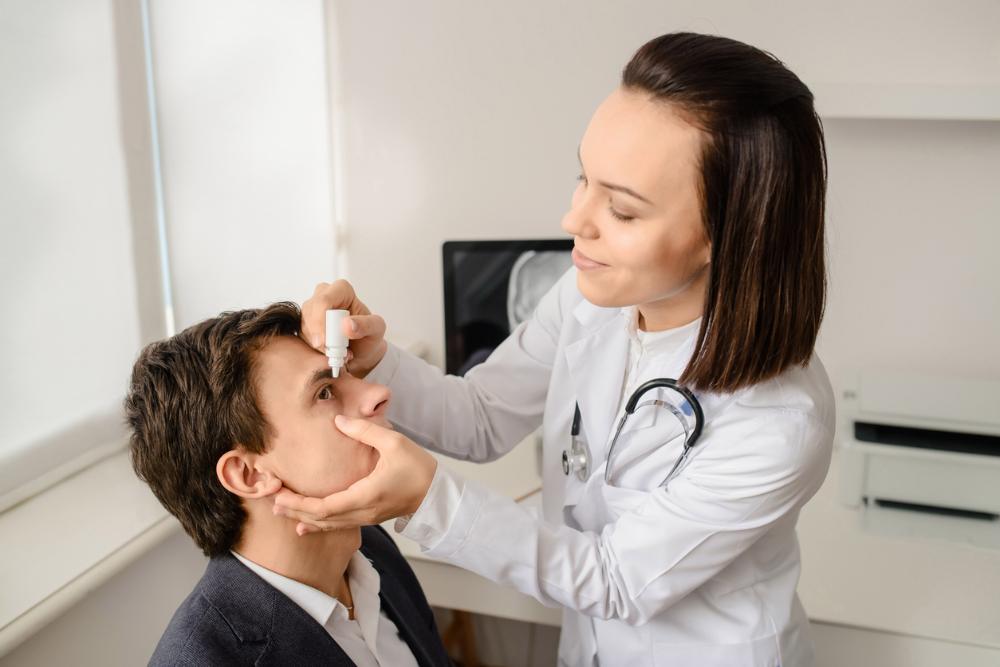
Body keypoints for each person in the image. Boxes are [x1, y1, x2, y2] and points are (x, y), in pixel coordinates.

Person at [276, 32, 834, 666]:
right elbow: (482, 416)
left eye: (622, 211)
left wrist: (429, 502)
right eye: (583, 179)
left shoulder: (779, 419)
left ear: (728, 235)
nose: (575, 221)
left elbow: (616, 579)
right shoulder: (592, 296)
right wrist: (376, 359)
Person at [124, 302, 451, 667]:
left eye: (347, 375)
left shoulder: (372, 546)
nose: (378, 393)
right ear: (249, 475)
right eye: (325, 392)